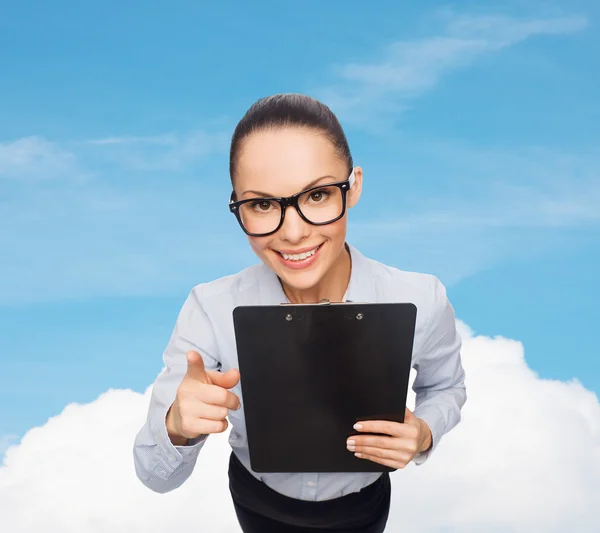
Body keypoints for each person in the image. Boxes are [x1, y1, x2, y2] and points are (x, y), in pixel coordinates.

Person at [133, 93, 467, 532]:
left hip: (362, 505)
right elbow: (156, 477)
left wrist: (424, 432)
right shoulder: (210, 309)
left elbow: (446, 387)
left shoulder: (421, 297)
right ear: (237, 205)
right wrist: (176, 426)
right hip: (258, 499)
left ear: (355, 186)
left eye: (317, 195)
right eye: (263, 204)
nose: (293, 233)